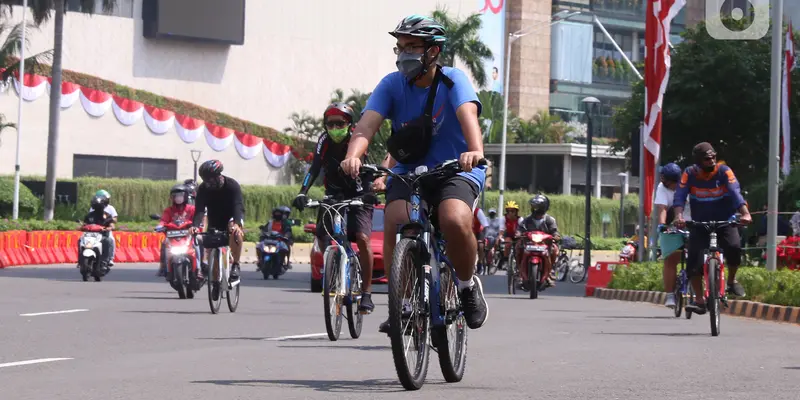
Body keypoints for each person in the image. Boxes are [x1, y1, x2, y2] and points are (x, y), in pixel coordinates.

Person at [340, 15, 489, 332]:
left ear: (433, 51)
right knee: (396, 216)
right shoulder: (391, 85)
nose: (403, 54)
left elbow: (468, 116)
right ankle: (403, 304)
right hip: (409, 171)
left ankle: (465, 286)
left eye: (412, 47)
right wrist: (353, 155)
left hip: (456, 167)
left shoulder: (453, 80)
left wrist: (475, 150)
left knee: (452, 218)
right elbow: (366, 126)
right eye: (400, 47)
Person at [293, 102, 376, 313]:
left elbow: (369, 168)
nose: (334, 128)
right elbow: (314, 168)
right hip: (334, 194)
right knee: (321, 233)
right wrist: (302, 192)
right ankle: (334, 265)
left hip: (359, 194)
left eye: (340, 123)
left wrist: (370, 193)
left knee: (363, 239)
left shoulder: (357, 138)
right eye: (330, 124)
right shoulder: (323, 140)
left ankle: (366, 293)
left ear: (349, 124)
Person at [673, 142, 752, 314]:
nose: (712, 161)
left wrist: (745, 213)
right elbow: (679, 196)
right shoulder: (689, 173)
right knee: (693, 259)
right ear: (698, 161)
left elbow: (735, 192)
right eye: (707, 159)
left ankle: (730, 282)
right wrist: (678, 217)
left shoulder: (724, 171)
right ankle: (700, 301)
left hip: (725, 221)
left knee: (734, 248)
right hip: (700, 223)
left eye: (713, 157)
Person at [190, 160, 245, 282]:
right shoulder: (203, 189)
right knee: (212, 252)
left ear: (218, 176)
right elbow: (199, 210)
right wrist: (195, 226)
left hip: (232, 216)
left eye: (210, 179)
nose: (208, 183)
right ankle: (215, 282)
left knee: (235, 232)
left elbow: (238, 205)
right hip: (215, 218)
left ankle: (235, 265)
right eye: (205, 180)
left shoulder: (232, 185)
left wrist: (237, 224)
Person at [654, 162, 691, 309]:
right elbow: (662, 209)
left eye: (667, 181)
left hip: (691, 222)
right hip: (672, 224)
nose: (664, 183)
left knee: (698, 257)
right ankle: (670, 295)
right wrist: (663, 226)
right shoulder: (662, 188)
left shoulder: (688, 186)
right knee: (671, 259)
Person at [516, 194, 560, 289]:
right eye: (534, 206)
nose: (535, 209)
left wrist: (556, 236)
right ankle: (519, 272)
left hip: (545, 245)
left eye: (538, 206)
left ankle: (550, 272)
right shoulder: (527, 219)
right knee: (518, 246)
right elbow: (520, 228)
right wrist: (518, 233)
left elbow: (555, 231)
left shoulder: (549, 220)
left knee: (555, 249)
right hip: (529, 243)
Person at [156, 184, 199, 279]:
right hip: (173, 236)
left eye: (180, 195)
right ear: (172, 197)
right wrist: (160, 226)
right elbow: (163, 221)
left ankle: (199, 268)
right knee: (164, 243)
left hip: (188, 235)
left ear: (185, 196)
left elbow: (197, 219)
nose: (178, 198)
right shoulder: (169, 210)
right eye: (176, 195)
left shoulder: (191, 209)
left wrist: (196, 227)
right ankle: (164, 267)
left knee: (197, 243)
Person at [81, 189, 118, 268]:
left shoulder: (108, 213)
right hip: (91, 233)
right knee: (80, 240)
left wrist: (110, 227)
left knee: (110, 240)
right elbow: (86, 223)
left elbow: (113, 221)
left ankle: (108, 259)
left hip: (103, 233)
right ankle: (80, 259)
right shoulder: (90, 214)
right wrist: (82, 227)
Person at [257, 207, 294, 272]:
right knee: (259, 246)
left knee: (284, 248)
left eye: (279, 213)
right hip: (269, 239)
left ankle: (282, 262)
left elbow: (288, 231)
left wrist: (286, 236)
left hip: (280, 240)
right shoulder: (270, 222)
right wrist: (263, 230)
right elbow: (265, 229)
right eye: (276, 213)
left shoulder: (285, 223)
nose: (277, 215)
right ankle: (260, 261)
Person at [473, 207, 489, 273]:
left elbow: (485, 225)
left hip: (478, 232)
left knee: (481, 245)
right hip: (468, 232)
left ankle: (480, 262)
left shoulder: (478, 211)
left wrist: (484, 237)